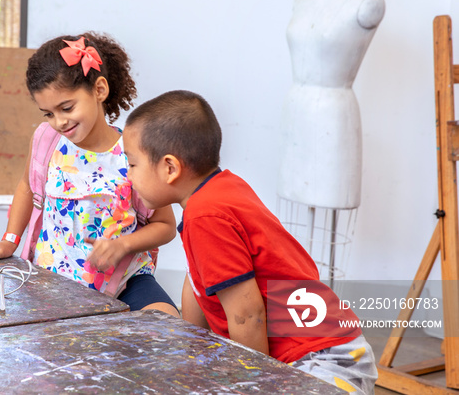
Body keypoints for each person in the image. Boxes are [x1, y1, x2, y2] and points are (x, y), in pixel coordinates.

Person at [123, 90, 377, 394]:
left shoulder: (207, 216)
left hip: (320, 362)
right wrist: (192, 355)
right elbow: (197, 284)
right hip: (326, 348)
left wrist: (253, 385)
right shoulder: (222, 190)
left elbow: (248, 314)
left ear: (170, 168)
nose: (128, 175)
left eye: (133, 164)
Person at [0, 32, 179, 317]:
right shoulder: (46, 140)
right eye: (48, 113)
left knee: (168, 327)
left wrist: (122, 245)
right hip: (54, 281)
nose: (59, 122)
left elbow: (165, 225)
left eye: (66, 108)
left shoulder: (135, 151)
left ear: (99, 90)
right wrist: (10, 240)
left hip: (126, 281)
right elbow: (27, 187)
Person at [278, 0, 385, 208]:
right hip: (295, 112)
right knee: (290, 220)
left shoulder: (368, 0)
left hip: (333, 117)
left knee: (333, 224)